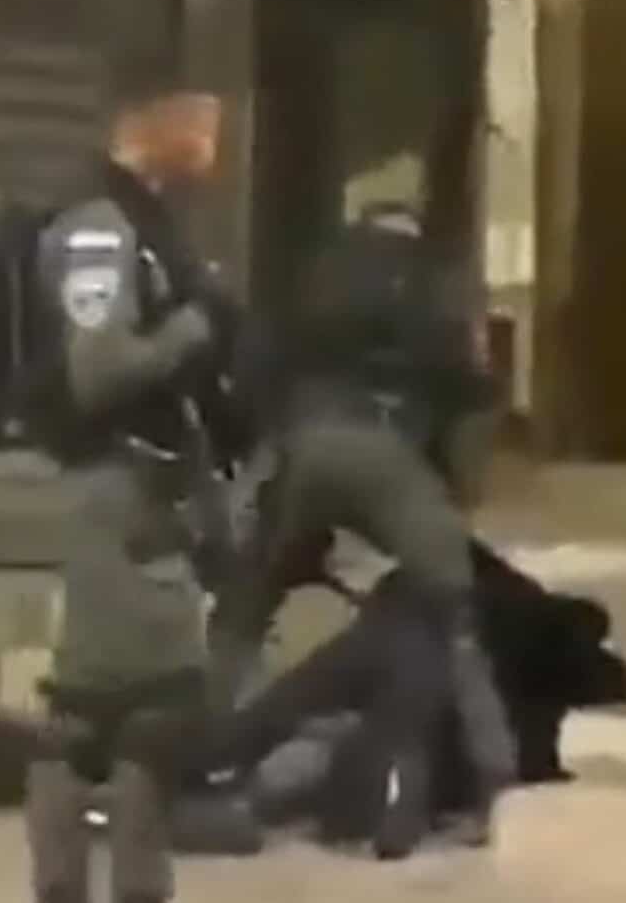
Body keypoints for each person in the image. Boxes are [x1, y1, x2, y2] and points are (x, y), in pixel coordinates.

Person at [210, 198, 517, 844]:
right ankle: (495, 786)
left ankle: (209, 763)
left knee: (245, 609)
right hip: (390, 453)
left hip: (308, 442)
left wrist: (268, 452)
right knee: (456, 617)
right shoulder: (436, 285)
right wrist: (449, 495)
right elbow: (471, 394)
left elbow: (252, 366)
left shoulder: (314, 274)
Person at [15, 71, 246, 903]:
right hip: (116, 494)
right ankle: (80, 886)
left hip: (146, 491)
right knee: (118, 711)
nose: (215, 140)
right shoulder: (99, 229)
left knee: (130, 710)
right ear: (150, 122)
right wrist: (195, 324)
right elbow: (100, 372)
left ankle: (109, 886)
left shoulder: (145, 221)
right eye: (203, 118)